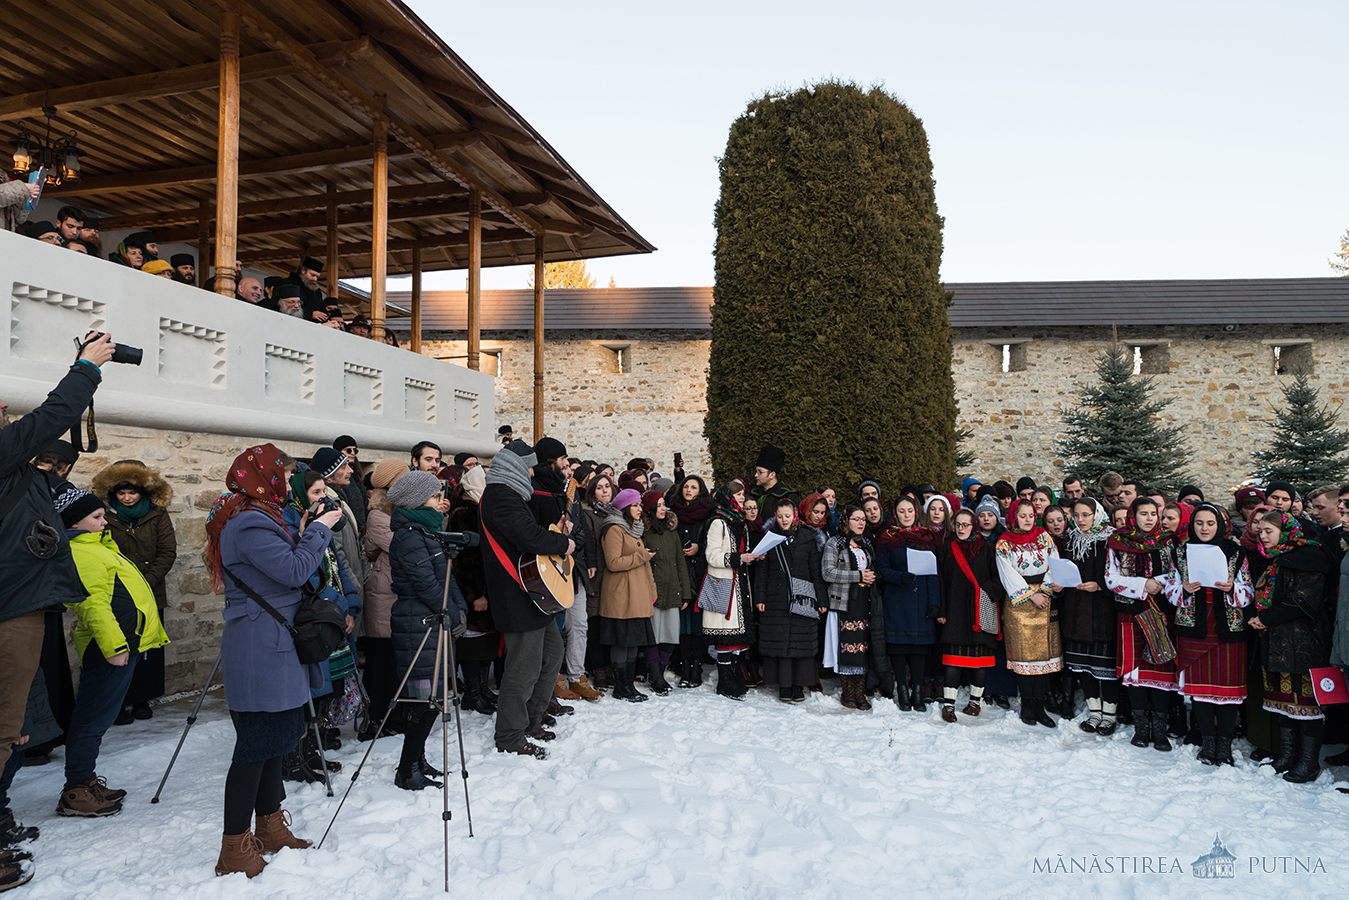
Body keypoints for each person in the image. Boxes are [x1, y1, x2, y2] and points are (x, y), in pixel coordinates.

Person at [0, 336, 111, 886]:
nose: (4, 408)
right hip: (9, 610)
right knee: (3, 729)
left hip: (20, 604)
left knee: (12, 728)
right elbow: (52, 417)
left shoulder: (17, 472)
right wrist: (87, 366)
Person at [205, 444, 340, 877]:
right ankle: (233, 847)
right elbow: (294, 571)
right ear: (261, 478)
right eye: (282, 475)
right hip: (260, 643)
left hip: (273, 638)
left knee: (274, 740)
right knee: (255, 745)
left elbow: (286, 567)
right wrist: (318, 530)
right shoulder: (248, 522)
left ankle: (269, 826)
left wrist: (303, 531)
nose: (287, 482)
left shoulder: (263, 516)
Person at [54, 486, 169, 816]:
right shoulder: (82, 553)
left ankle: (85, 780)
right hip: (110, 648)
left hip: (123, 643)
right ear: (75, 522)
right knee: (92, 719)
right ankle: (76, 790)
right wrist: (114, 647)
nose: (105, 521)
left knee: (99, 717)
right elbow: (94, 605)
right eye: (97, 516)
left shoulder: (98, 546)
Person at [481, 441, 573, 758]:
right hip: (517, 595)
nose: (533, 473)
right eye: (530, 467)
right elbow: (528, 537)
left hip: (532, 593)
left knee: (551, 655)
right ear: (516, 466)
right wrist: (563, 543)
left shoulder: (509, 494)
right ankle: (510, 736)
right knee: (523, 670)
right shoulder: (502, 496)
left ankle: (532, 721)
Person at [387, 470, 468, 790]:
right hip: (418, 623)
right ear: (418, 500)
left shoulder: (428, 530)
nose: (440, 501)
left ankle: (417, 759)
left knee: (436, 696)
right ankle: (407, 769)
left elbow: (447, 576)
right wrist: (450, 612)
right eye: (435, 496)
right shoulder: (409, 535)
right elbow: (425, 583)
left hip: (433, 621)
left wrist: (459, 608)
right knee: (426, 700)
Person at [1248, 510, 1334, 783]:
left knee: (1305, 703)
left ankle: (1308, 762)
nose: (1262, 536)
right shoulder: (1272, 559)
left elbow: (1304, 599)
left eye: (1268, 531)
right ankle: (1287, 755)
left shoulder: (1310, 556)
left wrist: (1266, 618)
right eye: (1260, 531)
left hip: (1305, 642)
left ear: (1285, 531)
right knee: (1282, 701)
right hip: (1276, 642)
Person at [89, 461, 177, 724]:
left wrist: (145, 582)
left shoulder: (157, 514)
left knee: (148, 650)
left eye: (132, 492)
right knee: (118, 647)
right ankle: (116, 703)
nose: (127, 498)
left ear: (143, 492)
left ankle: (142, 699)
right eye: (121, 493)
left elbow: (167, 552)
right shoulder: (106, 516)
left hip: (150, 591)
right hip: (118, 593)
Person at [1167, 503, 1252, 766]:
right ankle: (1208, 742)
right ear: (1192, 525)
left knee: (1228, 689)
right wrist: (1183, 589)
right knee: (1199, 688)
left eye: (1210, 523)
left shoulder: (1236, 552)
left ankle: (1224, 745)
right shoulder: (1180, 553)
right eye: (1199, 523)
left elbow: (1249, 590)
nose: (1204, 528)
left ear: (1221, 525)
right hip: (1194, 626)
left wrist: (1232, 589)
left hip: (1228, 628)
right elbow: (1169, 588)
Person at [1105, 497, 1179, 752]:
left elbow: (1177, 573)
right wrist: (1143, 584)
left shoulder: (1168, 541)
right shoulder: (1117, 542)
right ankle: (1141, 729)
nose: (1149, 518)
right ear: (1132, 516)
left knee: (1161, 669)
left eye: (1153, 514)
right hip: (1131, 613)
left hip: (1160, 611)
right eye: (1143, 513)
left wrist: (1158, 582)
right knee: (1134, 671)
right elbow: (1111, 578)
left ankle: (1159, 730)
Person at [996, 499, 1064, 727]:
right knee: (1024, 655)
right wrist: (1030, 595)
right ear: (1014, 517)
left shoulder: (1044, 537)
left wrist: (1044, 590)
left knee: (1043, 655)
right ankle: (1027, 706)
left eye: (1031, 515)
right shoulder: (1005, 542)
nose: (1027, 520)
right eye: (1022, 515)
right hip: (1019, 603)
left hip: (1044, 600)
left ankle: (1039, 706)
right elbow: (1007, 573)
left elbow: (1054, 563)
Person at [754, 498, 825, 702]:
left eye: (787, 516)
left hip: (803, 597)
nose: (784, 520)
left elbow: (815, 571)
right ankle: (784, 686)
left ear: (794, 515)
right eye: (780, 516)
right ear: (775, 517)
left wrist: (822, 600)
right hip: (776, 598)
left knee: (801, 642)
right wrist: (760, 597)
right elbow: (762, 571)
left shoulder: (808, 537)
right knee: (780, 641)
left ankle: (798, 685)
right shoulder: (769, 538)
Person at [937, 509, 1006, 720]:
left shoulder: (987, 549)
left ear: (974, 526)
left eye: (965, 524)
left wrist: (985, 590)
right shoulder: (946, 550)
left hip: (980, 612)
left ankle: (975, 703)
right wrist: (941, 610)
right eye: (957, 524)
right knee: (953, 660)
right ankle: (949, 705)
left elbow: (998, 578)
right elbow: (940, 582)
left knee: (979, 661)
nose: (961, 529)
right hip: (955, 612)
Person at [359, 459, 409, 740]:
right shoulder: (378, 515)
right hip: (382, 595)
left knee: (394, 660)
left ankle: (394, 716)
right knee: (380, 661)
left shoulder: (400, 512)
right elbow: (402, 546)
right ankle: (374, 718)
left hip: (396, 593)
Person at [1058, 498, 1118, 733]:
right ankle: (1094, 713)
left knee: (1106, 668)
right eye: (1076, 515)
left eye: (1086, 515)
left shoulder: (1110, 540)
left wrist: (1100, 586)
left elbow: (1119, 574)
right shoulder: (1070, 540)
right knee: (1083, 666)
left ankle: (1110, 715)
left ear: (1097, 515)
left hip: (1103, 613)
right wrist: (1060, 584)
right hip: (1077, 611)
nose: (1080, 520)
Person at [446, 465, 502, 714]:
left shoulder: (480, 507)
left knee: (485, 643)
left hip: (487, 586)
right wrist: (476, 594)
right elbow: (466, 559)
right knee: (472, 644)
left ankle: (481, 688)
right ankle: (472, 694)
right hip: (474, 588)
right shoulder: (464, 512)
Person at [877, 497, 940, 712]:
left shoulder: (926, 537)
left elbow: (933, 573)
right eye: (902, 511)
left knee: (919, 650)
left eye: (910, 511)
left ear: (916, 513)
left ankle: (918, 692)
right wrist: (898, 577)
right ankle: (903, 691)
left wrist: (935, 602)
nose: (906, 515)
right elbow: (882, 568)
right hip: (897, 599)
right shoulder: (887, 538)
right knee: (898, 648)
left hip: (921, 600)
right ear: (895, 514)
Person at [596, 488, 659, 702]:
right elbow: (613, 563)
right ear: (624, 507)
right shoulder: (614, 529)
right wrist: (641, 556)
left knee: (634, 642)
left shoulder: (634, 529)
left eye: (640, 505)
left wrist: (652, 590)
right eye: (635, 505)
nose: (640, 509)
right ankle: (621, 687)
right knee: (621, 642)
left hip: (638, 595)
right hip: (622, 595)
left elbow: (645, 566)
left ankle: (629, 685)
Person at [702, 480, 762, 700]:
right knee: (725, 635)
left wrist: (754, 555)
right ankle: (724, 681)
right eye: (738, 494)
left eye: (743, 494)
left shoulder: (740, 522)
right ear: (728, 497)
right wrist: (739, 558)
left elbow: (743, 550)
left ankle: (732, 678)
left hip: (739, 583)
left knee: (737, 636)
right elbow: (712, 556)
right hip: (723, 584)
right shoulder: (717, 522)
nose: (742, 497)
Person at [821, 506, 886, 710]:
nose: (861, 523)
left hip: (865, 601)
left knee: (862, 647)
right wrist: (858, 576)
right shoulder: (835, 543)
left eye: (863, 519)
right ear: (845, 521)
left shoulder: (866, 543)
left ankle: (860, 692)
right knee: (846, 647)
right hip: (844, 602)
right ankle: (848, 692)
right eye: (856, 519)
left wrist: (872, 575)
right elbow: (827, 573)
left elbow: (872, 567)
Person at [641, 490, 689, 694]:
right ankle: (655, 677)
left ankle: (658, 672)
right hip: (652, 590)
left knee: (670, 635)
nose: (663, 508)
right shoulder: (644, 532)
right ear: (650, 508)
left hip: (673, 590)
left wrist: (685, 592)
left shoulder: (671, 531)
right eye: (658, 505)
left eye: (663, 504)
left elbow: (680, 561)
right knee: (653, 635)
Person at [670, 475, 714, 687]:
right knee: (682, 621)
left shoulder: (707, 514)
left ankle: (696, 666)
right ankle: (684, 665)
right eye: (686, 486)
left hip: (699, 571)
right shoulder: (672, 513)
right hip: (679, 572)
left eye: (693, 487)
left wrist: (699, 547)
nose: (688, 490)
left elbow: (712, 542)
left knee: (697, 621)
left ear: (700, 491)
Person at [330, 436, 367, 532]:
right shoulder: (337, 478)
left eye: (355, 450)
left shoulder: (356, 476)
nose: (353, 453)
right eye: (348, 450)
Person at [750, 444, 800, 511]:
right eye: (756, 471)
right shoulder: (753, 495)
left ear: (772, 475)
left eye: (760, 472)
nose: (756, 475)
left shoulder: (788, 496)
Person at [280, 257, 328, 321]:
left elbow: (322, 309)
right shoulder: (288, 283)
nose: (315, 279)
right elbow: (285, 308)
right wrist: (310, 314)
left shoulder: (316, 291)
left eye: (317, 277)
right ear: (303, 271)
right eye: (312, 275)